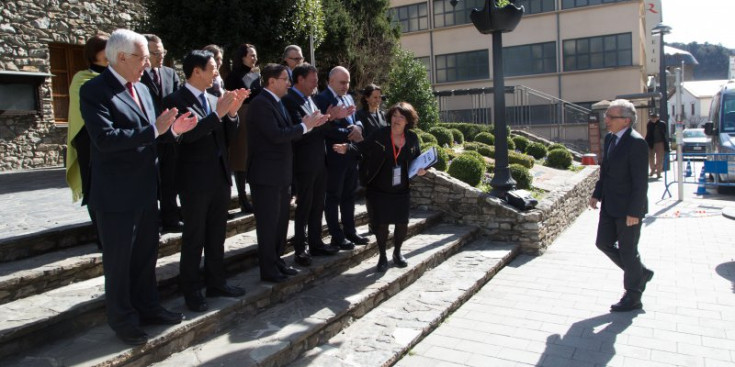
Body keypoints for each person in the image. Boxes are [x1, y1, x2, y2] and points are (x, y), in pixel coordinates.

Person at [79, 29, 197, 345]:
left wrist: (172, 132)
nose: (148, 64)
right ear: (121, 57)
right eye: (143, 57)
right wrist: (154, 130)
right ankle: (123, 319)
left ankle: (148, 307)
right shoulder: (94, 91)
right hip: (116, 196)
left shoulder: (143, 89)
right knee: (119, 263)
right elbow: (104, 140)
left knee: (146, 257)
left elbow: (152, 135)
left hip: (146, 190)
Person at [162, 50, 249, 312]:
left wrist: (232, 113)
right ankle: (191, 289)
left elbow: (227, 136)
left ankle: (216, 282)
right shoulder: (175, 100)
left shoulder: (213, 98)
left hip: (219, 178)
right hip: (194, 181)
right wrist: (217, 115)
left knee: (216, 236)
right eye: (212, 67)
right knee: (194, 237)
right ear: (196, 71)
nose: (216, 72)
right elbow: (186, 137)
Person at [246, 63, 328, 283]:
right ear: (271, 81)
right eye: (285, 79)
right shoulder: (260, 104)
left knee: (280, 223)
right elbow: (276, 135)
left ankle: (278, 262)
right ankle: (268, 268)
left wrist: (307, 125)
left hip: (281, 174)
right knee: (268, 225)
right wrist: (305, 126)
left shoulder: (277, 102)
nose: (289, 84)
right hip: (266, 176)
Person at [333, 102, 426, 271]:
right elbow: (362, 147)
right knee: (381, 223)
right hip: (379, 187)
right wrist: (347, 148)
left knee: (402, 223)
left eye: (401, 116)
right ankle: (382, 255)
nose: (397, 119)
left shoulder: (412, 138)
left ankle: (397, 253)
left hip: (402, 188)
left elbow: (417, 159)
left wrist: (422, 169)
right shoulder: (380, 134)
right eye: (395, 115)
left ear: (408, 121)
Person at [589, 99, 654, 312]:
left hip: (628, 210)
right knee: (603, 243)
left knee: (628, 251)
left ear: (626, 120)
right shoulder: (609, 139)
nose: (606, 120)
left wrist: (634, 211)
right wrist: (597, 194)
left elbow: (640, 182)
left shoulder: (636, 143)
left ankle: (633, 296)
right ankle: (640, 273)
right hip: (609, 204)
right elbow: (605, 170)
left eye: (610, 116)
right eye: (606, 116)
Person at [282, 63, 345, 267]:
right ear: (300, 79)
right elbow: (299, 132)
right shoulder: (290, 100)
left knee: (318, 204)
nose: (316, 85)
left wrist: (331, 118)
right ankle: (301, 247)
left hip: (319, 160)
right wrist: (323, 121)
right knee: (305, 206)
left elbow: (320, 129)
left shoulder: (311, 99)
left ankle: (316, 242)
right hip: (303, 162)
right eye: (312, 81)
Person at [314, 66, 368, 250]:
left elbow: (356, 118)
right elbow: (323, 128)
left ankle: (350, 231)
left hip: (351, 154)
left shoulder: (348, 97)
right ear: (330, 81)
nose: (346, 86)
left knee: (349, 195)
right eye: (342, 82)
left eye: (348, 82)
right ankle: (336, 235)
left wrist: (358, 127)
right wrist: (348, 132)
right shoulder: (322, 99)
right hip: (334, 156)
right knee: (333, 196)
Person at [65, 34, 108, 243]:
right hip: (89, 140)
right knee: (95, 187)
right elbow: (80, 114)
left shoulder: (118, 77)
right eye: (105, 49)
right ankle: (101, 234)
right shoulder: (81, 79)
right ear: (94, 54)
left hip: (113, 141)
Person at [140, 34, 183, 232]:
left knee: (170, 179)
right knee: (150, 181)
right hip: (148, 135)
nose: (160, 57)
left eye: (162, 52)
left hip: (170, 136)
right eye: (155, 53)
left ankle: (170, 217)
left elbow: (177, 100)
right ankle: (152, 220)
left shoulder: (170, 73)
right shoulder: (138, 75)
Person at [225, 43, 260, 214]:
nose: (254, 58)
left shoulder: (255, 76)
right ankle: (242, 197)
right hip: (242, 115)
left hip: (255, 116)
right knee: (241, 158)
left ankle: (251, 196)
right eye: (251, 55)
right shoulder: (233, 76)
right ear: (242, 57)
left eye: (255, 55)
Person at [644, 112, 669, 178]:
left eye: (655, 117)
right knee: (651, 157)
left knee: (660, 158)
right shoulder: (649, 124)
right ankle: (652, 169)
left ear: (657, 118)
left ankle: (658, 172)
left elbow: (664, 132)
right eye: (652, 118)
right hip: (651, 142)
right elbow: (648, 133)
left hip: (660, 142)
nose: (653, 119)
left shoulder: (662, 124)